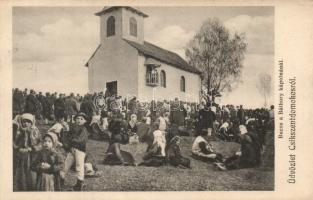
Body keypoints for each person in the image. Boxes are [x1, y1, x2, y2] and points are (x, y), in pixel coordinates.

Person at [60, 112, 89, 191]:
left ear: (85, 121)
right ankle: (60, 179)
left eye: (81, 119)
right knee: (66, 164)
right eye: (77, 118)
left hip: (80, 150)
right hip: (72, 150)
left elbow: (81, 140)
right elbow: (66, 138)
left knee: (79, 166)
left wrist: (71, 142)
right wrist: (65, 132)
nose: (79, 120)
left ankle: (80, 183)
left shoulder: (84, 130)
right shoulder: (73, 128)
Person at [13, 113, 42, 191]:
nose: (26, 124)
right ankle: (21, 187)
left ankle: (31, 187)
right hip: (22, 155)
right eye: (24, 122)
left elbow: (40, 143)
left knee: (31, 172)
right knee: (21, 172)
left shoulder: (35, 131)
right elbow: (15, 142)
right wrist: (18, 148)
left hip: (32, 155)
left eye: (28, 122)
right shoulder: (19, 131)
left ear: (32, 122)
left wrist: (33, 148)